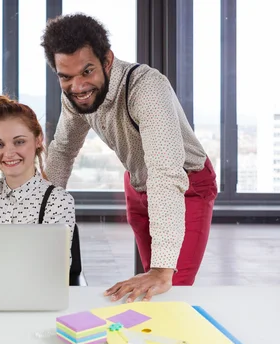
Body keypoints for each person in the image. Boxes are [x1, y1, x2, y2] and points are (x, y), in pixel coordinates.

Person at [40, 13, 218, 302]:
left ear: (107, 60)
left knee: (169, 285)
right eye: (66, 76)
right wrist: (37, 218)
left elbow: (165, 172)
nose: (78, 86)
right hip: (137, 183)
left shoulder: (146, 87)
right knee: (150, 285)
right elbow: (62, 151)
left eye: (87, 72)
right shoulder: (74, 94)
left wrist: (163, 270)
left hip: (186, 184)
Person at [0, 95, 76, 245]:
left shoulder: (58, 201)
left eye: (19, 142)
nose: (8, 153)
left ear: (38, 140)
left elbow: (55, 265)